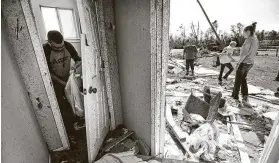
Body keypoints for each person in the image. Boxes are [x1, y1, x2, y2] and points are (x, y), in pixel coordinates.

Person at [43, 30, 81, 135]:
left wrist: (77, 70)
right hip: (55, 81)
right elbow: (47, 72)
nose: (60, 50)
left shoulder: (68, 45)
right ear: (49, 43)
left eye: (61, 47)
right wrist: (62, 82)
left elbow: (78, 59)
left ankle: (77, 122)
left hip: (68, 77)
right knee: (62, 105)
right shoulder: (44, 50)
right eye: (56, 48)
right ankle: (69, 130)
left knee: (74, 100)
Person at [231, 22, 259, 108]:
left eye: (243, 32)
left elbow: (244, 54)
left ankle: (235, 97)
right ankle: (245, 95)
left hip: (244, 63)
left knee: (237, 81)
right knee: (243, 80)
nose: (242, 34)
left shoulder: (248, 40)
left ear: (248, 31)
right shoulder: (255, 40)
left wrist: (238, 63)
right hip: (250, 63)